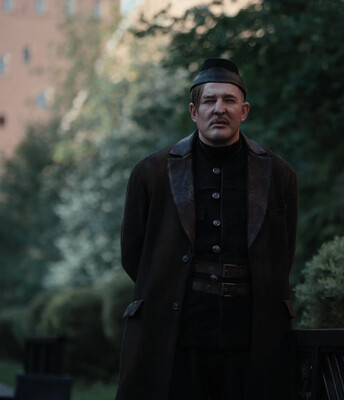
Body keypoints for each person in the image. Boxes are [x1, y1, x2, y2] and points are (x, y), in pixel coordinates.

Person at [115, 58, 297, 400]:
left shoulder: (279, 174)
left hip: (251, 337)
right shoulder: (151, 173)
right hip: (175, 336)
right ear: (193, 111)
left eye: (229, 100)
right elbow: (134, 256)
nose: (219, 109)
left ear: (244, 111)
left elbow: (283, 253)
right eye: (210, 101)